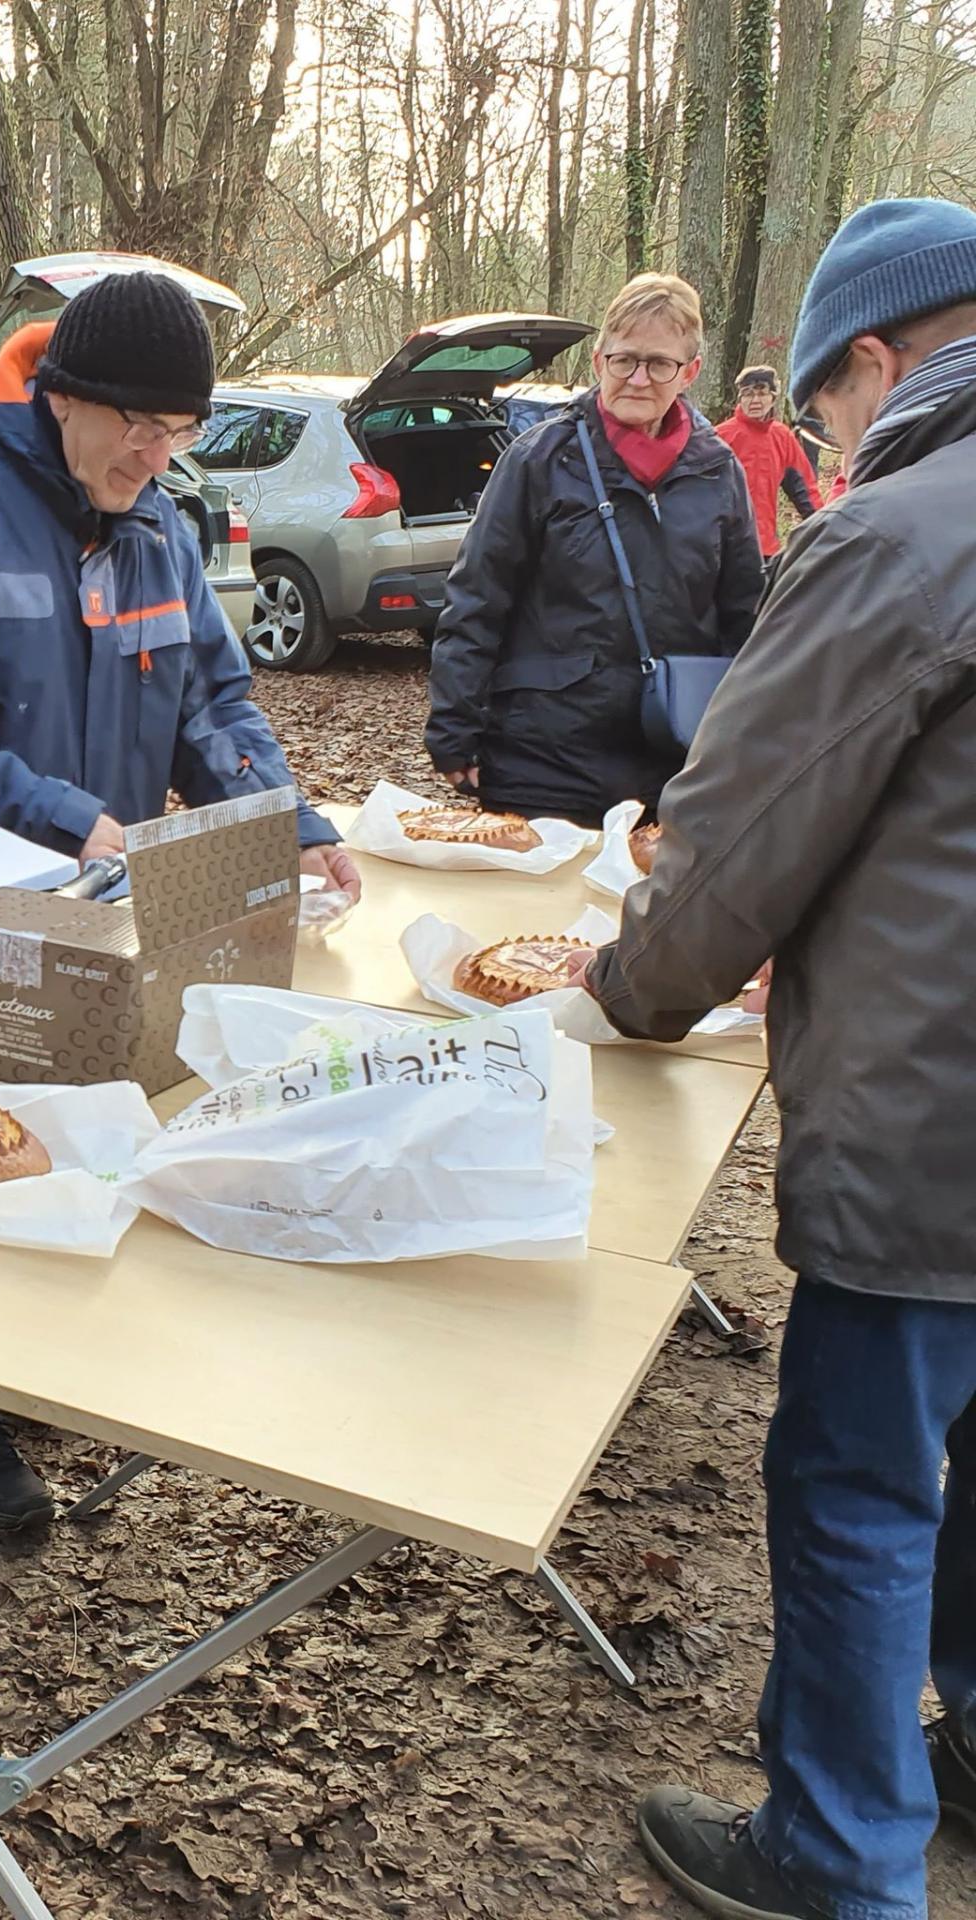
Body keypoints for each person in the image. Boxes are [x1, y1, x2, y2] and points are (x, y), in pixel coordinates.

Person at [570, 199, 976, 1920]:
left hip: (936, 1121)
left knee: (862, 1486)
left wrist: (630, 991)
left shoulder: (899, 533)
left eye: (824, 406)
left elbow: (732, 848)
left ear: (876, 361)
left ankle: (836, 1857)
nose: (822, 438)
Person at [0, 269, 360, 1533]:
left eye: (177, 427)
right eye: (133, 421)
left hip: (106, 900)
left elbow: (214, 703)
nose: (155, 448)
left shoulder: (160, 533)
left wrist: (287, 817)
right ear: (62, 397)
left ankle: (32, 1364)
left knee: (86, 1123)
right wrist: (62, 814)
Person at [426, 273, 763, 827]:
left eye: (659, 364)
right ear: (598, 360)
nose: (637, 379)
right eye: (623, 360)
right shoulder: (540, 459)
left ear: (690, 372)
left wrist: (744, 739)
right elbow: (478, 597)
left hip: (673, 761)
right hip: (544, 759)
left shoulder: (717, 469)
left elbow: (743, 613)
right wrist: (455, 726)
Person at [716, 365, 819, 559]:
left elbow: (806, 490)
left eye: (762, 393)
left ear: (773, 398)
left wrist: (823, 529)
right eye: (747, 394)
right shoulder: (720, 437)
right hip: (725, 548)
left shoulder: (782, 437)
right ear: (740, 399)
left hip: (766, 548)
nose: (755, 400)